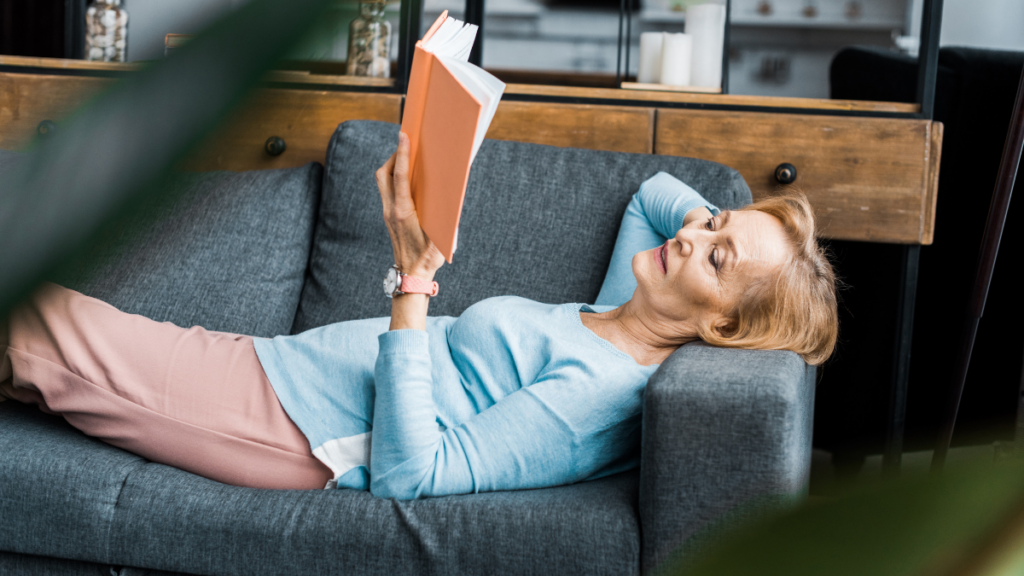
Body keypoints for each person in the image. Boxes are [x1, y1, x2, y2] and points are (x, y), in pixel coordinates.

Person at [0, 132, 838, 499]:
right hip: (279, 369)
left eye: (717, 257)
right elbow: (660, 197)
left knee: (34, 326)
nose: (691, 236)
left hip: (285, 423)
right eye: (712, 222)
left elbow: (415, 476)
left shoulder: (596, 394)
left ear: (724, 328)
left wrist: (413, 279)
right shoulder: (631, 306)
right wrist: (740, 240)